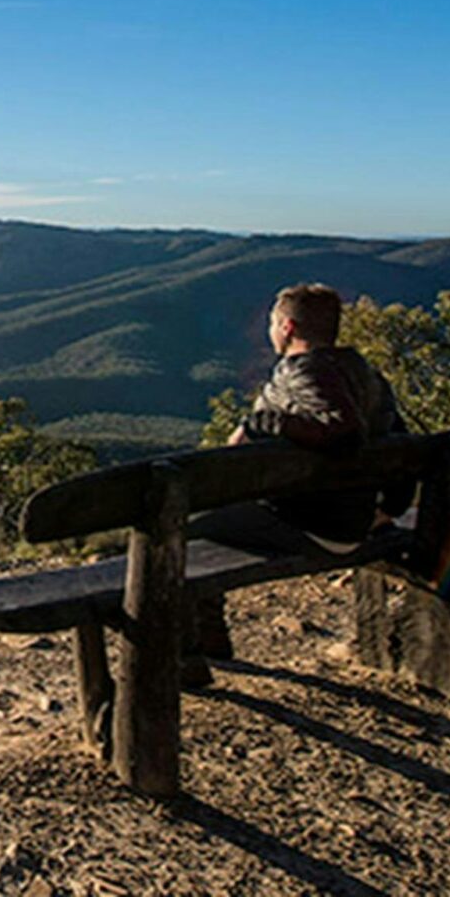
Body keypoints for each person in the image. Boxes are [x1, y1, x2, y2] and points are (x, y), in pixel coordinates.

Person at [185, 282, 406, 673]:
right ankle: (206, 636)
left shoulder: (300, 370)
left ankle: (196, 646)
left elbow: (344, 429)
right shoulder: (367, 373)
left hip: (315, 526)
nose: (269, 331)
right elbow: (403, 449)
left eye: (272, 323)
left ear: (286, 327)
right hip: (356, 523)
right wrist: (389, 510)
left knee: (181, 525)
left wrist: (262, 422)